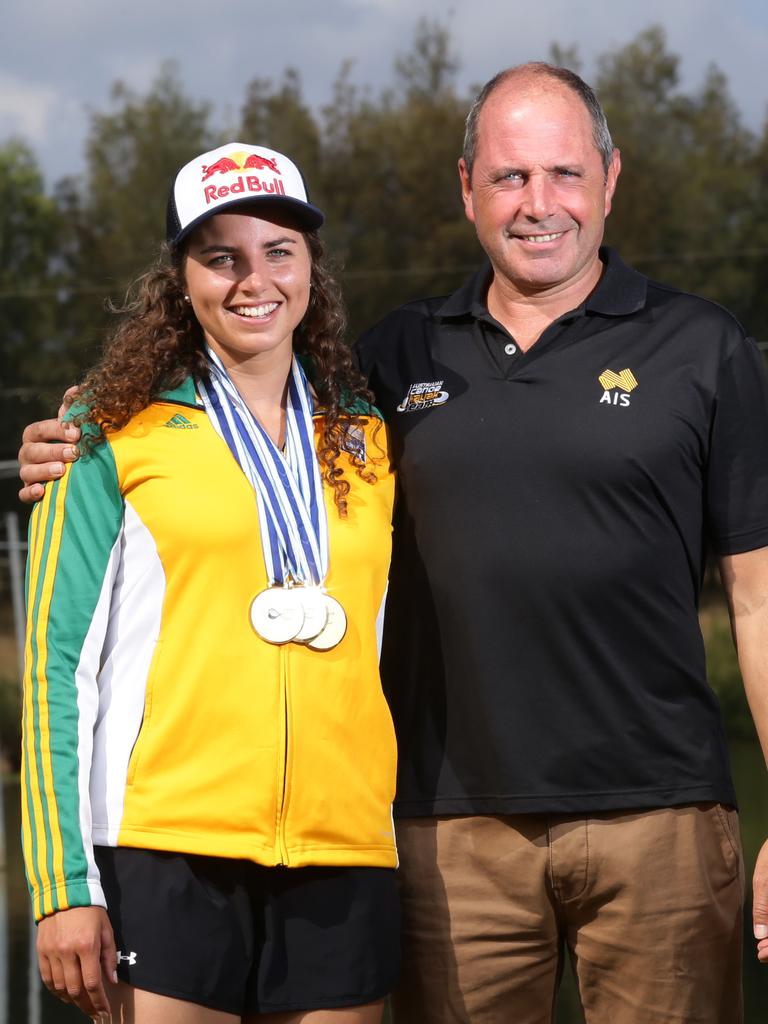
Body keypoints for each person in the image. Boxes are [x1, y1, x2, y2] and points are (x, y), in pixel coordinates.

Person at [18, 65, 768, 1022]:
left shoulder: (700, 348)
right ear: (466, 187)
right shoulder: (390, 364)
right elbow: (62, 653)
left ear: (610, 179)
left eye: (564, 174)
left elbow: (758, 597)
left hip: (650, 818)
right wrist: (82, 428)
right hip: (433, 835)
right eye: (508, 177)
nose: (539, 204)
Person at [20, 142, 399, 1024]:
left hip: (344, 847)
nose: (251, 280)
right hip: (163, 851)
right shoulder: (106, 427)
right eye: (220, 256)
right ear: (181, 277)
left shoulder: (367, 435)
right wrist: (62, 885)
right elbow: (53, 665)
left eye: (278, 251)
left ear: (311, 268)